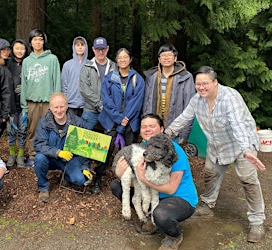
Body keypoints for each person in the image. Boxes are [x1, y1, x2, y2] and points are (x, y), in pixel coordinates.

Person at [165, 66, 267, 243]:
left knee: (248, 181)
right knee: (210, 173)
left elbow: (238, 125)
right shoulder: (197, 100)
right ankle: (207, 204)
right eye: (198, 84)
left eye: (205, 83)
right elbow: (184, 117)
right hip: (216, 145)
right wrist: (166, 135)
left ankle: (257, 221)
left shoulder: (230, 97)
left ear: (215, 82)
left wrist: (247, 150)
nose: (201, 87)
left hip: (241, 145)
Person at [111, 114, 198, 250]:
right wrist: (120, 174)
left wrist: (143, 179)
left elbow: (171, 188)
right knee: (117, 186)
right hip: (153, 193)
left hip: (178, 197)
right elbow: (136, 182)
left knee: (161, 214)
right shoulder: (141, 149)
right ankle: (150, 217)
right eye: (144, 127)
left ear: (162, 129)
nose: (147, 129)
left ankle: (174, 236)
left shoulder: (173, 150)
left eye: (152, 126)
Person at [94, 48, 145, 195]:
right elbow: (106, 100)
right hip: (111, 120)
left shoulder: (137, 78)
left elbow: (137, 102)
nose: (122, 60)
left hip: (131, 122)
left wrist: (125, 119)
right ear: (116, 60)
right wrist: (118, 118)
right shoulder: (109, 78)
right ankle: (98, 178)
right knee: (105, 150)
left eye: (125, 57)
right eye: (120, 57)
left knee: (130, 153)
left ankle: (129, 184)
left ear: (130, 59)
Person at [33, 93, 92, 203]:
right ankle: (43, 188)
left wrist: (85, 166)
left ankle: (67, 176)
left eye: (62, 107)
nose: (59, 110)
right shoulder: (43, 122)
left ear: (67, 106)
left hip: (70, 159)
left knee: (80, 180)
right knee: (39, 158)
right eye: (56, 107)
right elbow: (39, 145)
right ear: (50, 108)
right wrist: (57, 152)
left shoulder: (78, 122)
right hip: (50, 158)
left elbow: (85, 148)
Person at [21, 29, 61, 167]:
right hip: (32, 102)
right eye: (35, 39)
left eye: (40, 39)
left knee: (50, 129)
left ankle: (49, 155)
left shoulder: (52, 59)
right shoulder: (26, 61)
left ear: (44, 41)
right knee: (32, 130)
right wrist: (24, 107)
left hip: (48, 102)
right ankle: (32, 155)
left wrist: (56, 103)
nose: (38, 42)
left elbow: (57, 81)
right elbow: (24, 85)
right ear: (31, 42)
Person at [142, 43, 195, 143]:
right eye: (163, 55)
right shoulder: (152, 77)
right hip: (154, 125)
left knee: (171, 156)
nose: (166, 58)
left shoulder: (185, 77)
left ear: (175, 58)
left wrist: (184, 133)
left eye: (169, 55)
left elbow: (190, 106)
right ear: (159, 59)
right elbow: (146, 103)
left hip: (175, 127)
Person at [79, 37, 117, 131]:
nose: (100, 52)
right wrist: (99, 104)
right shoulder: (86, 67)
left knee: (110, 139)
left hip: (109, 110)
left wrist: (108, 105)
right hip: (90, 110)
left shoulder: (114, 66)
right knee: (83, 140)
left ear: (107, 48)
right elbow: (84, 89)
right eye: (98, 49)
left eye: (103, 49)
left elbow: (117, 88)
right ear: (93, 49)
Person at [6, 39, 30, 168]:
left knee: (22, 130)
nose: (19, 51)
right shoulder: (8, 64)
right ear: (12, 50)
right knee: (11, 130)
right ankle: (11, 154)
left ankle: (20, 155)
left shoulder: (28, 63)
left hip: (24, 104)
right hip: (11, 104)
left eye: (22, 48)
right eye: (17, 48)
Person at [61, 36, 88, 117]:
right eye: (77, 45)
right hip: (70, 103)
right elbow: (64, 84)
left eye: (82, 45)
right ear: (74, 47)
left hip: (86, 105)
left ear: (86, 47)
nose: (80, 47)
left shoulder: (90, 64)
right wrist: (65, 100)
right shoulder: (67, 65)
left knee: (84, 128)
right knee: (71, 128)